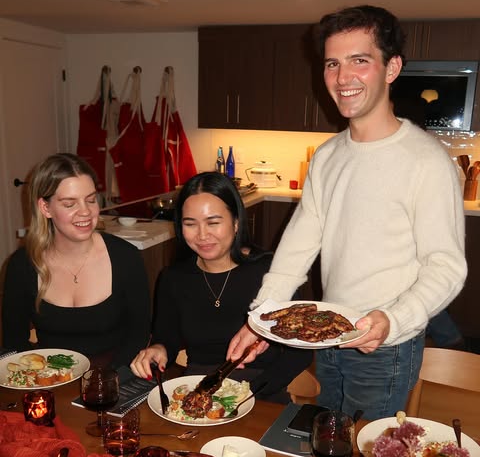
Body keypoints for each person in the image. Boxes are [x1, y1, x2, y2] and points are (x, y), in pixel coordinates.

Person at [227, 5, 467, 419]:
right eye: (332, 64)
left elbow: (446, 266)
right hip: (331, 335)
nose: (342, 78)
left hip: (384, 347)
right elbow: (300, 245)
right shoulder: (328, 155)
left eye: (360, 61)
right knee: (329, 442)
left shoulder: (425, 161)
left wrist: (392, 320)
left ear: (391, 68)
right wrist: (260, 318)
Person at [130, 171, 312, 400]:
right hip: (198, 389)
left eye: (213, 222)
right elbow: (167, 339)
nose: (202, 235)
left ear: (236, 222)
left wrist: (249, 392)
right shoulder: (173, 277)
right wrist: (159, 349)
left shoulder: (274, 275)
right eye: (190, 224)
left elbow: (301, 352)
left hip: (262, 391)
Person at [2, 152, 151, 368]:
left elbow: (138, 334)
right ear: (45, 208)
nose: (86, 212)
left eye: (91, 200)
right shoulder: (22, 265)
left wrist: (103, 382)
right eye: (70, 203)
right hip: (50, 378)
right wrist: (41, 379)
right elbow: (14, 343)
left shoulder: (126, 257)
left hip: (115, 379)